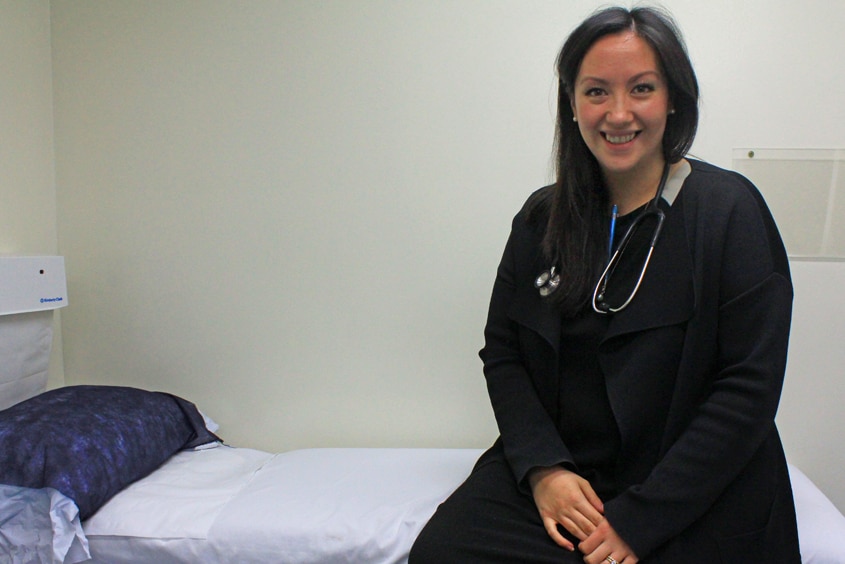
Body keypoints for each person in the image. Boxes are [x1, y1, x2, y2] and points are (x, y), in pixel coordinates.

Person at [409, 5, 800, 563]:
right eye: (596, 92)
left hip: (691, 483)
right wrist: (544, 469)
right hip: (573, 474)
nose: (618, 113)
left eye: (641, 88)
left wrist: (640, 521)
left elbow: (748, 388)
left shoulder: (730, 212)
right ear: (572, 104)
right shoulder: (540, 220)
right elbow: (504, 354)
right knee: (444, 553)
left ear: (673, 98)